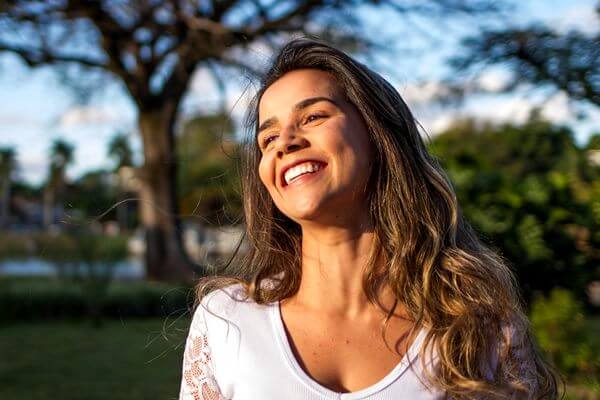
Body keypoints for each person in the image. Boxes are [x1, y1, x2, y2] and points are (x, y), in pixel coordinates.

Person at [179, 38, 560, 400]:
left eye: (313, 116)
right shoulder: (225, 321)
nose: (286, 142)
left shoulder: (478, 327)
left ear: (378, 136)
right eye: (268, 138)